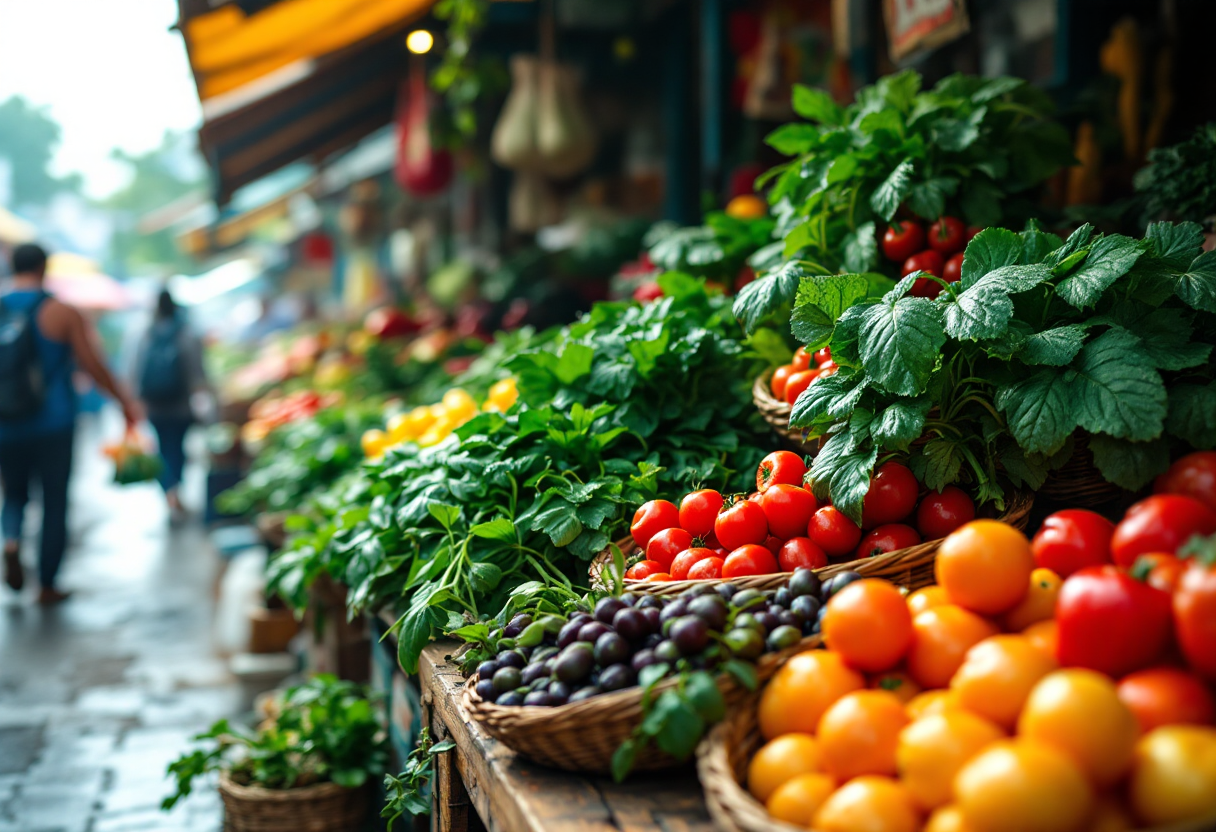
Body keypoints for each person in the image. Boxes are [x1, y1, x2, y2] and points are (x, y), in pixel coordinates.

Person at [0, 243, 143, 604]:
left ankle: (11, 540)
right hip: (54, 423)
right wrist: (124, 402)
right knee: (54, 501)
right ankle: (47, 585)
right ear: (45, 268)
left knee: (14, 494)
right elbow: (93, 364)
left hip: (6, 425)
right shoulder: (61, 311)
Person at [134, 288, 208, 516]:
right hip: (181, 405)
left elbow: (134, 369)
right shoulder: (186, 333)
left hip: (154, 405)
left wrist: (135, 400)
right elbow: (198, 371)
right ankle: (175, 489)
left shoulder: (145, 334)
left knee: (163, 448)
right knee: (178, 448)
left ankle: (169, 490)